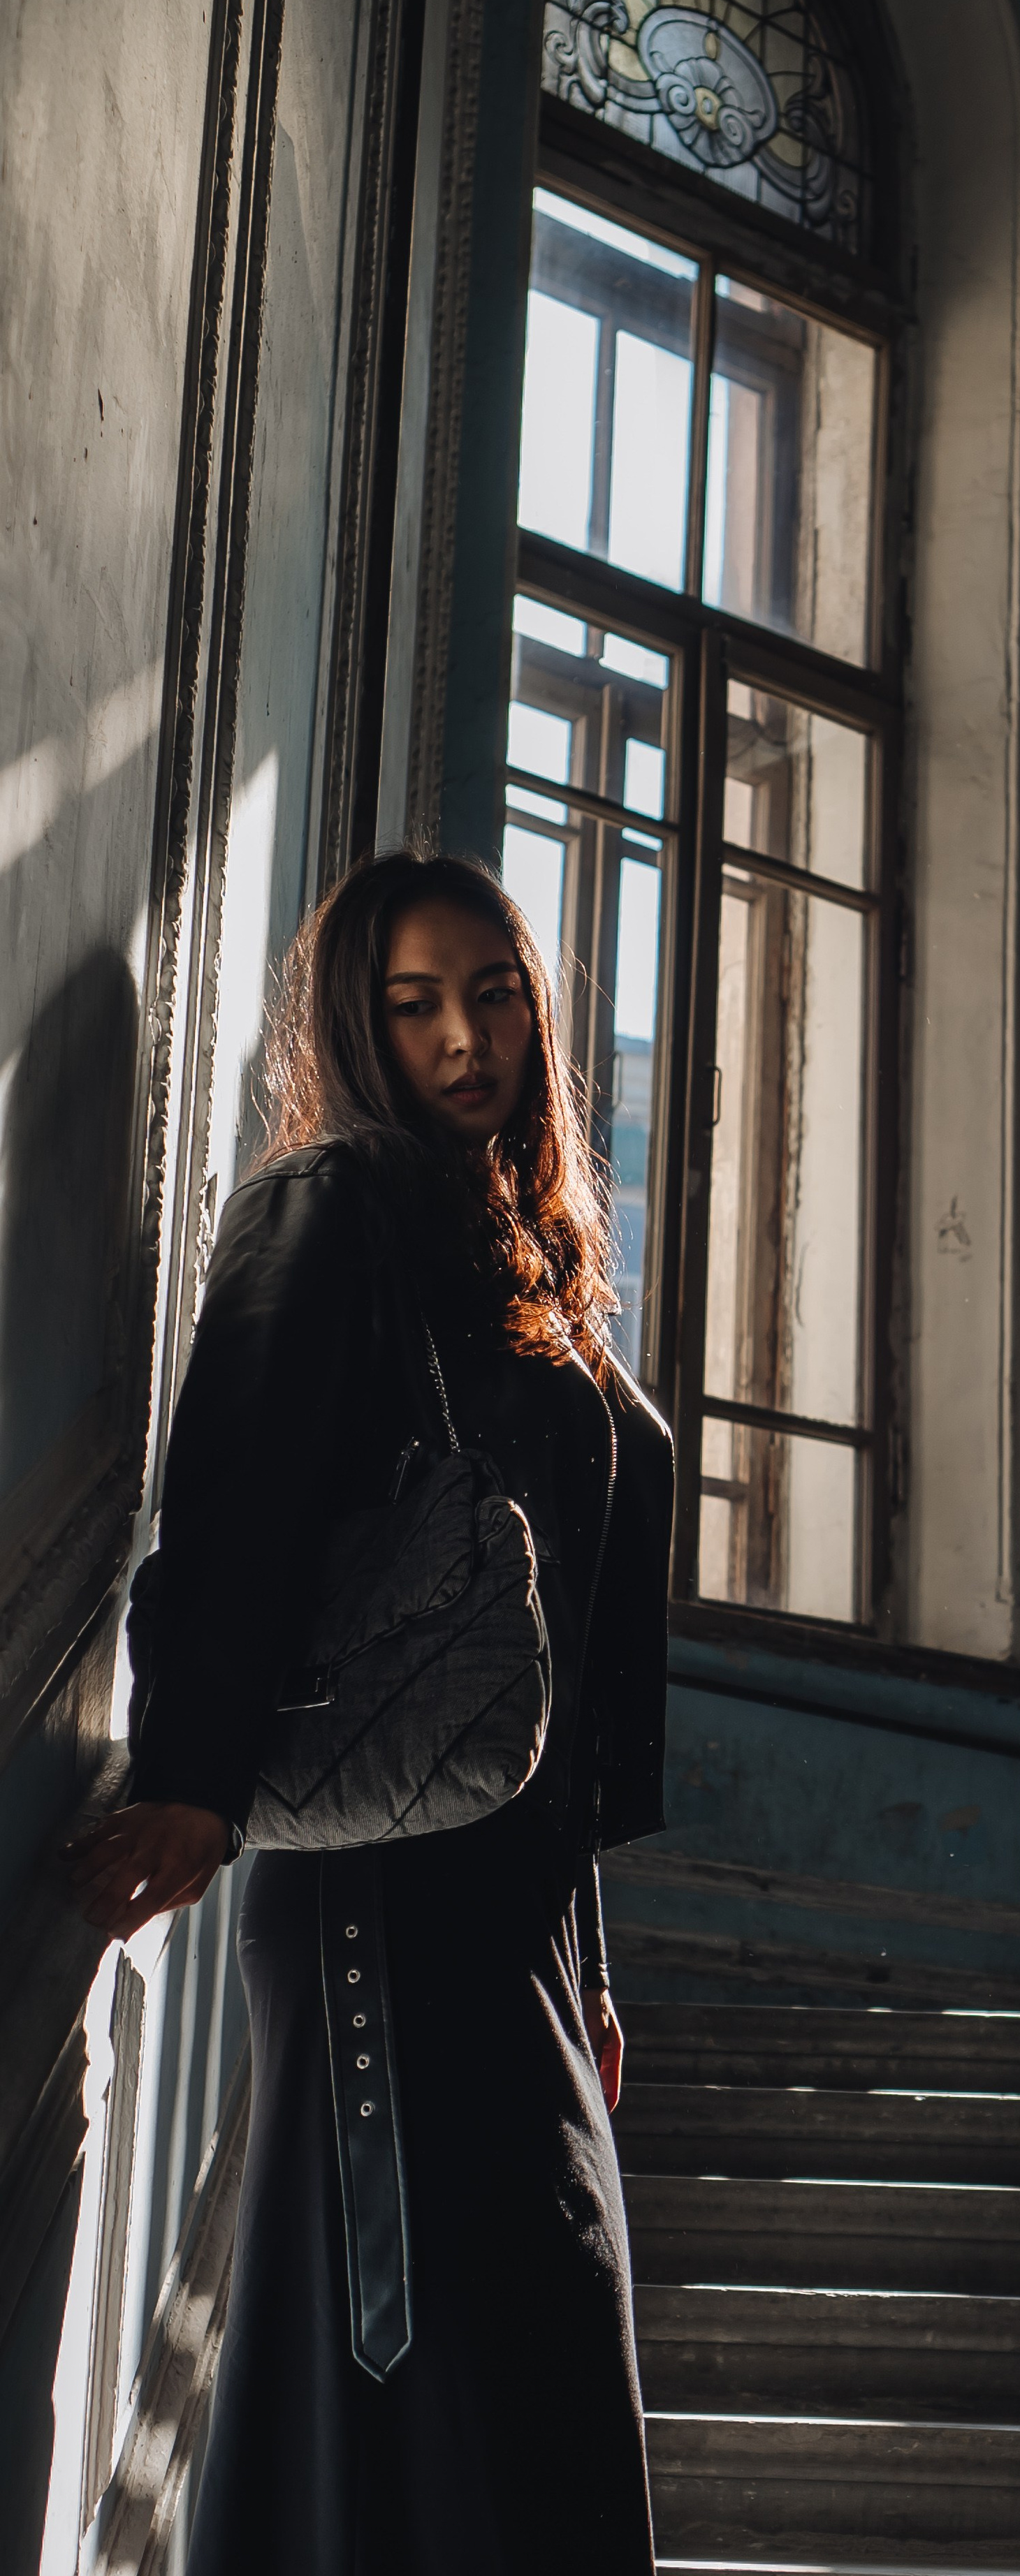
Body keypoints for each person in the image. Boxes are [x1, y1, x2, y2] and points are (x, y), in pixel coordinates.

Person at [66, 850, 671, 2575]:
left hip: (522, 1918)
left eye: (493, 993)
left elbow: (550, 1666)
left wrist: (595, 1958)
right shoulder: (329, 1206)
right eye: (414, 1004)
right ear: (358, 1021)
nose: (464, 1037)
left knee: (545, 2354)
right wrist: (193, 1778)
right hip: (378, 1892)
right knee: (424, 2356)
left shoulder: (537, 1277)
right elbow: (236, 1492)